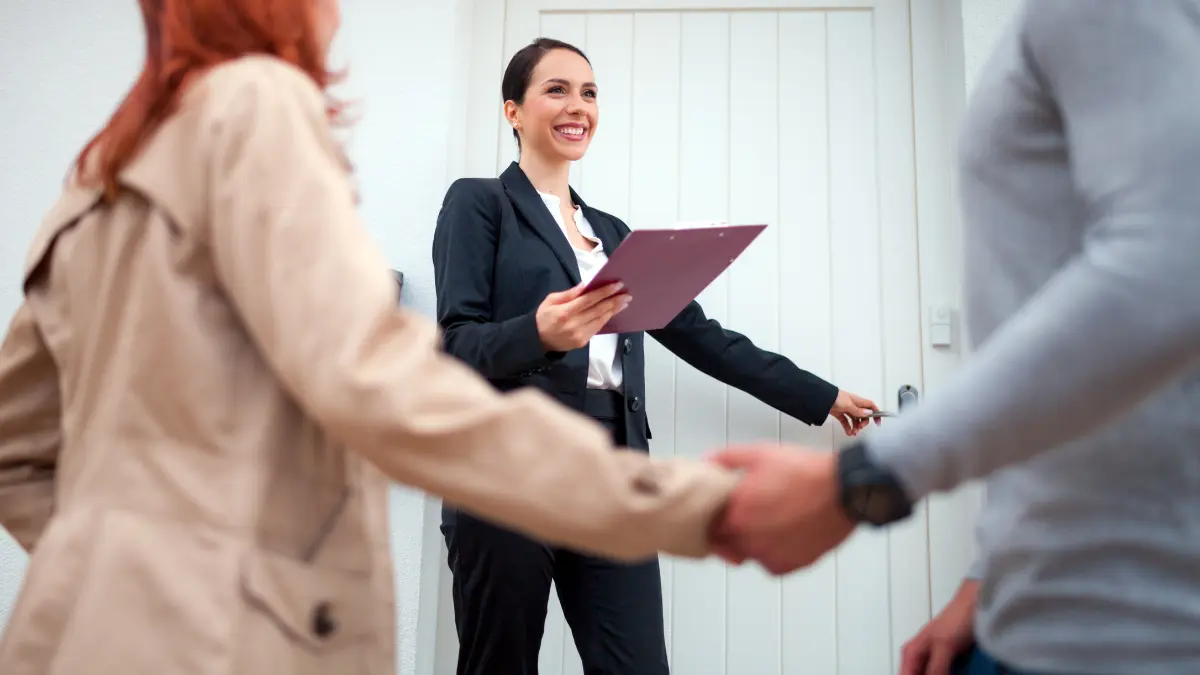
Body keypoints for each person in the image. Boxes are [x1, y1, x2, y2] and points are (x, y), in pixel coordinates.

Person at [0, 2, 748, 673]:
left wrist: (108, 560)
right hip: (219, 634)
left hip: (74, 633)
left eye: (590, 91)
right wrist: (685, 502)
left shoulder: (99, 175)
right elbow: (394, 387)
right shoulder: (257, 106)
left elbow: (14, 451)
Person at [708, 2, 1200, 674]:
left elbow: (1171, 267)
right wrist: (985, 580)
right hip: (1040, 597)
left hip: (1135, 618)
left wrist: (863, 478)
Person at [431, 36, 880, 675]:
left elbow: (704, 339)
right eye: (556, 89)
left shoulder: (614, 234)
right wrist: (541, 333)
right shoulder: (480, 202)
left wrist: (823, 395)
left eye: (588, 93)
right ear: (513, 112)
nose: (577, 106)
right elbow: (455, 344)